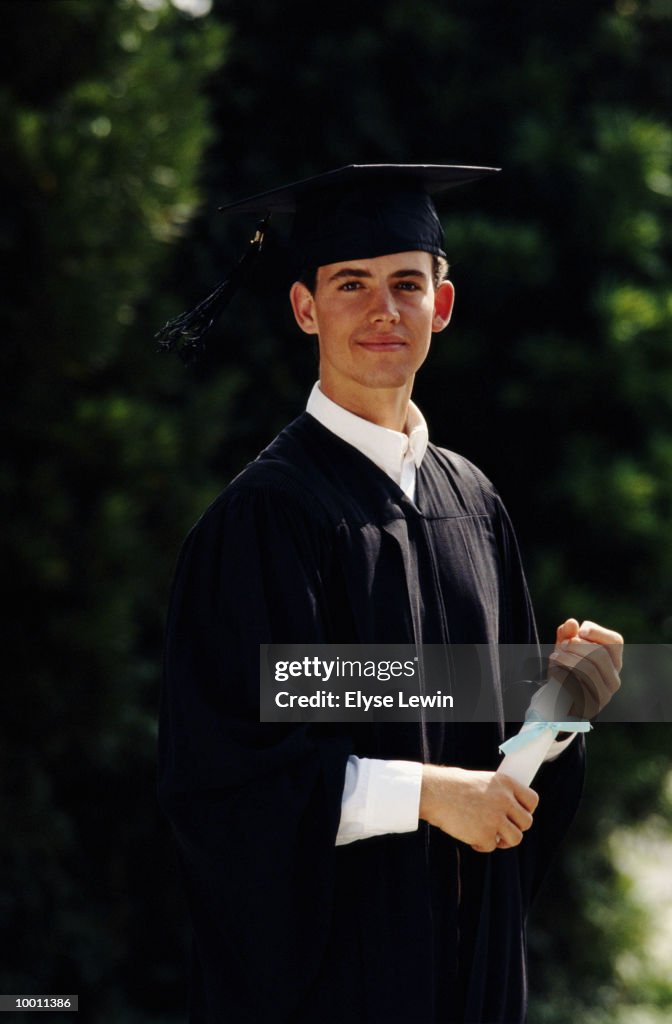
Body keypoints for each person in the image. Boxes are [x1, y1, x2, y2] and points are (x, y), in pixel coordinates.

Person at [158, 165, 623, 1024]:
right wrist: (425, 792)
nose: (384, 310)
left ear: (442, 305)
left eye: (407, 283)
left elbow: (497, 755)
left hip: (466, 981)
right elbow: (224, 784)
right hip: (332, 991)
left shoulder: (472, 503)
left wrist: (566, 703)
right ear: (305, 308)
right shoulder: (266, 520)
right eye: (351, 285)